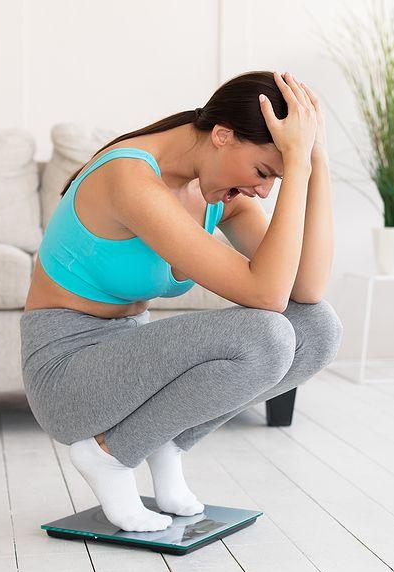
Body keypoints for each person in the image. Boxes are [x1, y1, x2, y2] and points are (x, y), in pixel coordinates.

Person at [19, 70, 342, 533]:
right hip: (68, 377)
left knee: (319, 328)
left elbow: (307, 290)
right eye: (263, 172)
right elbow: (267, 296)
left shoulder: (215, 192)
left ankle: (165, 442)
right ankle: (109, 456)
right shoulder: (129, 177)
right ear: (222, 135)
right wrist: (298, 164)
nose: (264, 191)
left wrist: (316, 161)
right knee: (266, 334)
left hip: (129, 365)